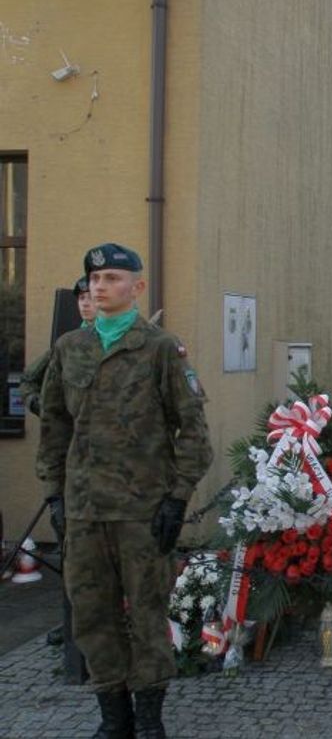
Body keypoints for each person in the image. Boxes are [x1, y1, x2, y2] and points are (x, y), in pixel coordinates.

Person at [36, 243, 213, 739]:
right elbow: (53, 426)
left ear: (137, 287)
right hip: (85, 510)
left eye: (112, 278)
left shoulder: (160, 348)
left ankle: (151, 719)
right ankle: (114, 719)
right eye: (94, 278)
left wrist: (178, 498)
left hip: (142, 511)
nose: (99, 285)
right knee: (92, 618)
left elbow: (194, 430)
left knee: (148, 615)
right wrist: (54, 493)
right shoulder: (71, 348)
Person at [19, 275, 97, 417]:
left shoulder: (119, 340)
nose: (85, 304)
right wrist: (42, 408)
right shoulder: (68, 342)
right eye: (81, 298)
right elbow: (28, 379)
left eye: (90, 297)